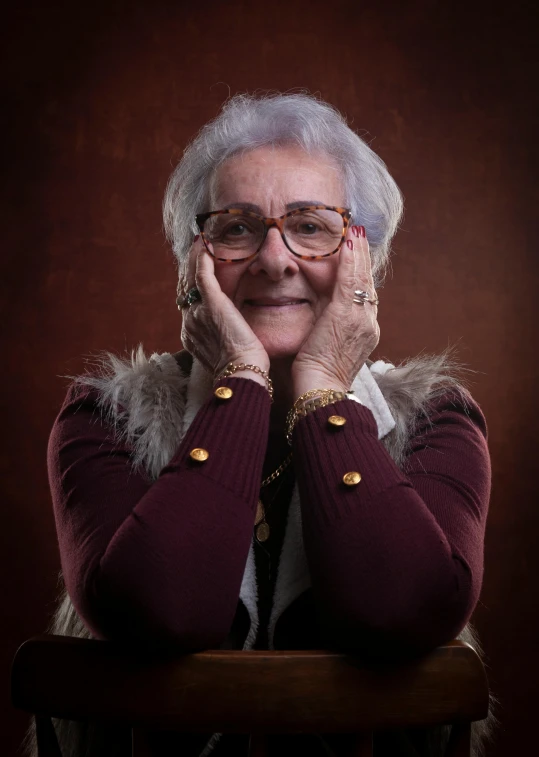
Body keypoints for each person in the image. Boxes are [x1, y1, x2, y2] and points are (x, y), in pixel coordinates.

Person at [38, 93, 493, 757]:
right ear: (191, 263)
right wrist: (242, 378)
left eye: (311, 226)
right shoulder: (102, 417)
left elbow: (398, 613)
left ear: (366, 265)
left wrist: (322, 388)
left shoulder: (437, 420)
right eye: (236, 227)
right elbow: (165, 611)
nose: (275, 260)